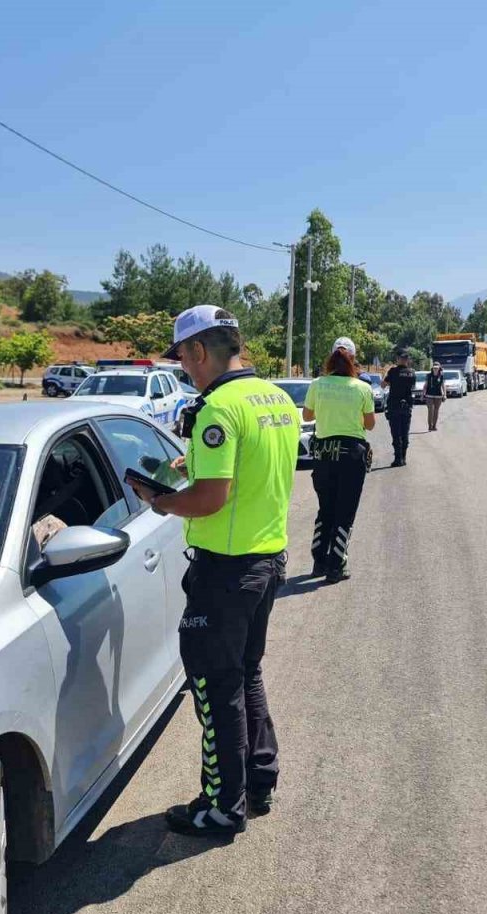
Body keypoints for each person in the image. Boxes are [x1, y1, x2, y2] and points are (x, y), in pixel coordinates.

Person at [128, 305, 298, 838]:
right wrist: (192, 464)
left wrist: (161, 501)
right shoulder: (274, 398)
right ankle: (259, 781)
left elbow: (208, 500)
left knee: (213, 687)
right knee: (245, 674)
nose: (185, 370)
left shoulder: (215, 410)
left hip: (224, 573)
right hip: (267, 560)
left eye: (183, 361)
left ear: (199, 351)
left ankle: (224, 805)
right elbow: (250, 468)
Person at [303, 336, 376, 584]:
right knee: (345, 511)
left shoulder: (317, 384)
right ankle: (336, 565)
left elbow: (308, 414)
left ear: (331, 357)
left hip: (323, 453)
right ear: (353, 359)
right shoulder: (362, 388)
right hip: (351, 454)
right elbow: (370, 424)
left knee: (326, 508)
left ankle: (318, 561)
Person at [383, 350, 417, 466]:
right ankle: (403, 457)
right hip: (407, 406)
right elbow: (412, 386)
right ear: (407, 360)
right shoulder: (412, 373)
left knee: (396, 433)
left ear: (398, 359)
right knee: (405, 432)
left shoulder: (392, 371)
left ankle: (398, 459)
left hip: (394, 406)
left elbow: (383, 385)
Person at [425, 362, 446, 430]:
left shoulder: (441, 376)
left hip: (438, 395)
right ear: (432, 368)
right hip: (429, 395)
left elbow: (443, 386)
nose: (435, 369)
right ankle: (430, 426)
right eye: (434, 368)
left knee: (436, 410)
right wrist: (423, 394)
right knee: (430, 410)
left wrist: (445, 395)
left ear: (439, 368)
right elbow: (425, 385)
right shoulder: (428, 375)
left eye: (437, 368)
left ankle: (434, 425)